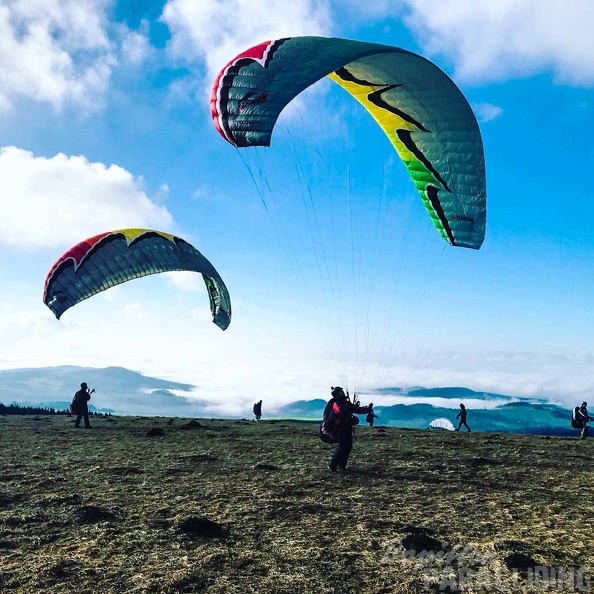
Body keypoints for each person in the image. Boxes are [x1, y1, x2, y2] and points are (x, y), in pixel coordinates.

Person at [326, 386, 372, 472]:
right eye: (341, 391)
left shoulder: (345, 402)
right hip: (340, 429)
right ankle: (332, 466)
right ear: (337, 394)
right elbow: (342, 410)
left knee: (348, 447)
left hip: (347, 428)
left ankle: (342, 466)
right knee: (342, 448)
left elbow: (355, 409)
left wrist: (367, 409)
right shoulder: (337, 403)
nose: (343, 392)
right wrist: (354, 408)